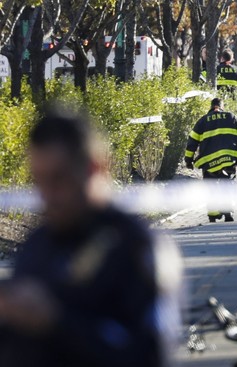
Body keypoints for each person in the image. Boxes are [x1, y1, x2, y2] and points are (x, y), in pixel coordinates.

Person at [0, 107, 182, 367]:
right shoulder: (38, 245)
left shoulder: (136, 246)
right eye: (39, 180)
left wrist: (57, 322)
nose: (48, 195)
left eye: (59, 179)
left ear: (96, 167)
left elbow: (149, 354)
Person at [185, 98, 237, 223]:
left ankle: (213, 215)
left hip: (209, 162)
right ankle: (228, 211)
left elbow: (192, 142)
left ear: (211, 107)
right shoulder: (231, 117)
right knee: (227, 183)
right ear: (221, 107)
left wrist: (188, 160)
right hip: (228, 158)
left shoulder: (202, 121)